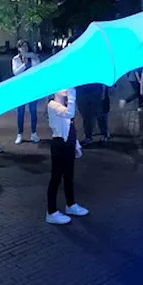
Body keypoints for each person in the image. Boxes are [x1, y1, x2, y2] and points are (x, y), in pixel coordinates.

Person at [46, 88, 89, 225]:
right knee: (56, 178)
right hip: (59, 145)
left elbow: (71, 127)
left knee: (69, 177)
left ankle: (70, 204)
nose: (66, 89)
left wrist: (76, 145)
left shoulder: (64, 105)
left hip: (68, 144)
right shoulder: (52, 105)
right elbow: (69, 114)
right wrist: (72, 95)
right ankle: (51, 212)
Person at [10, 39, 41, 143]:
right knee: (21, 112)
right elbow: (16, 72)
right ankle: (20, 134)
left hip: (32, 87)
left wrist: (33, 59)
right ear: (18, 49)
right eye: (22, 47)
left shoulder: (34, 57)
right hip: (20, 88)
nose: (24, 49)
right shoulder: (15, 59)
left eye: (26, 46)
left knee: (33, 111)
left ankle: (34, 133)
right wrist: (24, 65)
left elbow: (37, 70)